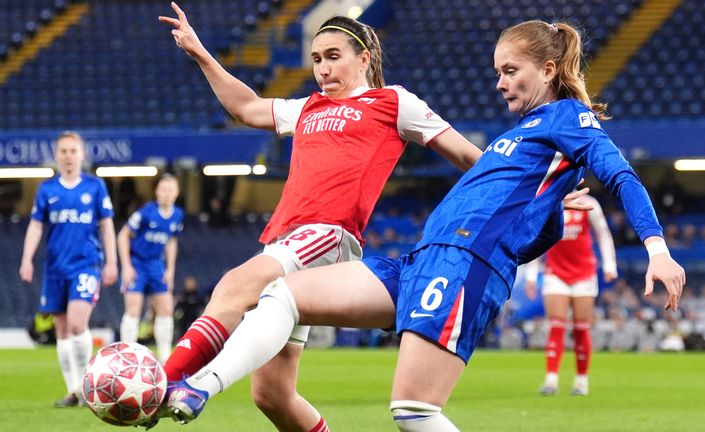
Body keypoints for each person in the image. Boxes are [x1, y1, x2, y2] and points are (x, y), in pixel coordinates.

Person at [159, 20, 685, 431]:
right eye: (498, 70)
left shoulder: (568, 118)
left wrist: (656, 248)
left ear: (548, 69)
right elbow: (533, 228)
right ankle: (200, 386)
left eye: (510, 70)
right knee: (283, 295)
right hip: (419, 259)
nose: (499, 82)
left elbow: (620, 174)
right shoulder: (521, 134)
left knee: (414, 411)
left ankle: (185, 383)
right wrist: (545, 212)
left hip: (462, 264)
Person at [155, 2, 483, 430]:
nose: (323, 69)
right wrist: (201, 53)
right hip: (287, 240)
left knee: (235, 284)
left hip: (328, 234)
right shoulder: (307, 107)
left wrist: (530, 190)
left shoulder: (393, 102)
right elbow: (248, 108)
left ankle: (164, 382)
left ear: (364, 58)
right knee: (272, 395)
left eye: (333, 57)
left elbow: (467, 156)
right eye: (316, 59)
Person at [19, 131, 118, 407]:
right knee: (61, 330)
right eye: (63, 151)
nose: (68, 156)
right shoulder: (47, 190)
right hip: (55, 269)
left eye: (73, 151)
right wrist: (27, 259)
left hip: (86, 265)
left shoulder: (95, 187)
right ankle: (73, 390)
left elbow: (107, 225)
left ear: (81, 154)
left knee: (77, 323)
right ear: (56, 155)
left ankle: (88, 385)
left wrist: (112, 261)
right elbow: (36, 226)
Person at [523, 194, 617, 396]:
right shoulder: (550, 201)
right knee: (556, 326)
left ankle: (581, 381)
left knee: (581, 328)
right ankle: (551, 380)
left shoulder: (590, 203)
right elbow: (537, 238)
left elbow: (603, 234)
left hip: (583, 273)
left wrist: (609, 265)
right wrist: (531, 275)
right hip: (555, 272)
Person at [118, 174, 183, 363]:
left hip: (156, 265)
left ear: (177, 192)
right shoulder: (146, 212)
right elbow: (123, 236)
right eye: (163, 189)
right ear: (156, 192)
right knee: (133, 310)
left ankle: (165, 358)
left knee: (166, 310)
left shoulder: (177, 215)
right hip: (137, 263)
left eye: (171, 190)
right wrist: (127, 266)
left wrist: (170, 270)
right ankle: (126, 357)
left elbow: (171, 241)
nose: (167, 194)